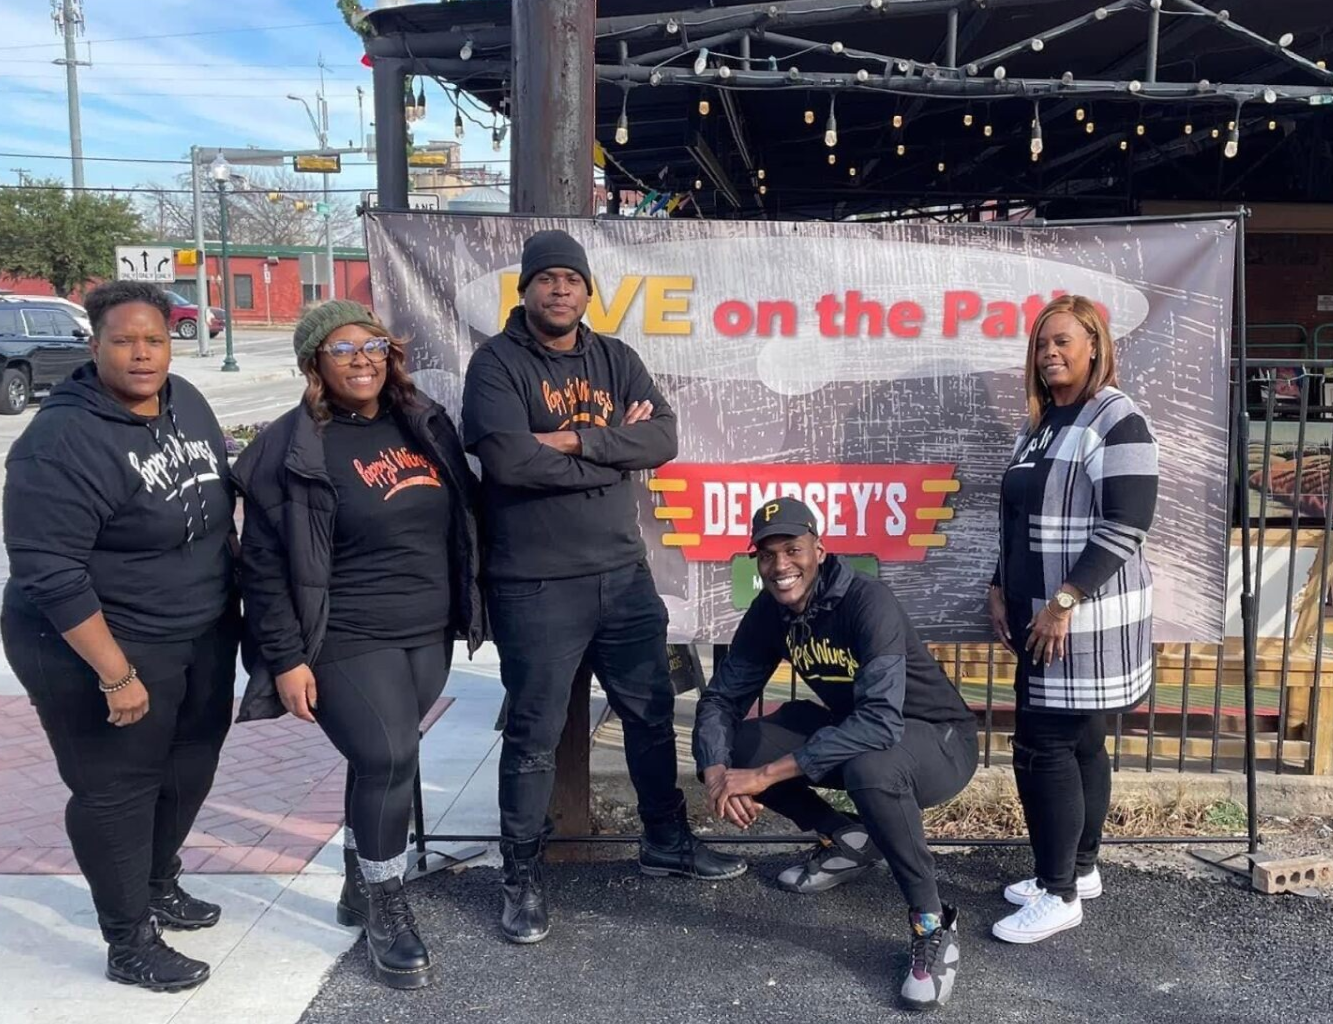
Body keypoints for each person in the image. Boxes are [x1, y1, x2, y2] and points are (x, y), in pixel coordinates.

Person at [461, 229, 745, 946]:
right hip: (534, 583)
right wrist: (610, 448)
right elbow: (506, 462)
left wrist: (566, 440)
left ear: (588, 292)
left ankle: (666, 843)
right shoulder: (495, 364)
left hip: (622, 576)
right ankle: (520, 877)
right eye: (546, 278)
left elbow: (664, 439)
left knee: (649, 715)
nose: (560, 289)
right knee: (532, 733)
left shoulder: (616, 357)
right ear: (524, 290)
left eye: (572, 279)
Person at [232, 300, 484, 990]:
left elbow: (458, 517)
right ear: (314, 363)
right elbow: (260, 562)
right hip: (342, 632)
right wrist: (284, 658)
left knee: (388, 761)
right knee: (387, 753)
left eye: (371, 343)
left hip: (424, 629)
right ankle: (385, 907)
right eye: (342, 348)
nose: (361, 358)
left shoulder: (421, 421)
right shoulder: (288, 447)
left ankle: (355, 877)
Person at [1, 281, 238, 991]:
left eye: (155, 340)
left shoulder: (185, 400)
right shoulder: (60, 441)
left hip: (195, 630)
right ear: (93, 344)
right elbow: (49, 571)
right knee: (117, 789)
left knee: (190, 765)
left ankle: (159, 882)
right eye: (123, 340)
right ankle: (128, 939)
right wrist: (114, 673)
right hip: (94, 641)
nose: (142, 354)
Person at [694, 497, 979, 1010]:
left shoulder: (868, 602)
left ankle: (932, 925)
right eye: (767, 554)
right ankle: (846, 838)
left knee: (872, 765)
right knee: (737, 742)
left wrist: (762, 776)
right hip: (860, 731)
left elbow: (879, 721)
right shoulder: (770, 611)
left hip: (939, 742)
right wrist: (717, 770)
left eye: (793, 550)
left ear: (819, 550)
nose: (781, 566)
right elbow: (721, 698)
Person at [986, 294, 1158, 944]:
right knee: (1082, 742)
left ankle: (1056, 893)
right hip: (1035, 614)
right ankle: (1079, 869)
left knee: (1043, 746)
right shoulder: (1042, 424)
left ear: (1093, 346)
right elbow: (1017, 519)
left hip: (1078, 624)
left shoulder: (1116, 418)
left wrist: (1064, 600)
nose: (1049, 353)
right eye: (1040, 344)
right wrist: (998, 585)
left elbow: (1127, 522)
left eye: (1062, 341)